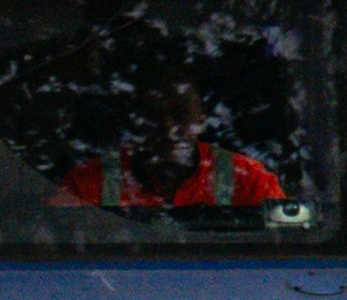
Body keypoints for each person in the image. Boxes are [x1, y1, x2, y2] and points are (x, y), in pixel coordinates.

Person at [53, 73, 288, 211]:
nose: (167, 127)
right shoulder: (86, 183)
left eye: (180, 114)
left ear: (201, 120)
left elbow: (283, 245)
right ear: (134, 122)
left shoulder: (248, 180)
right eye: (153, 114)